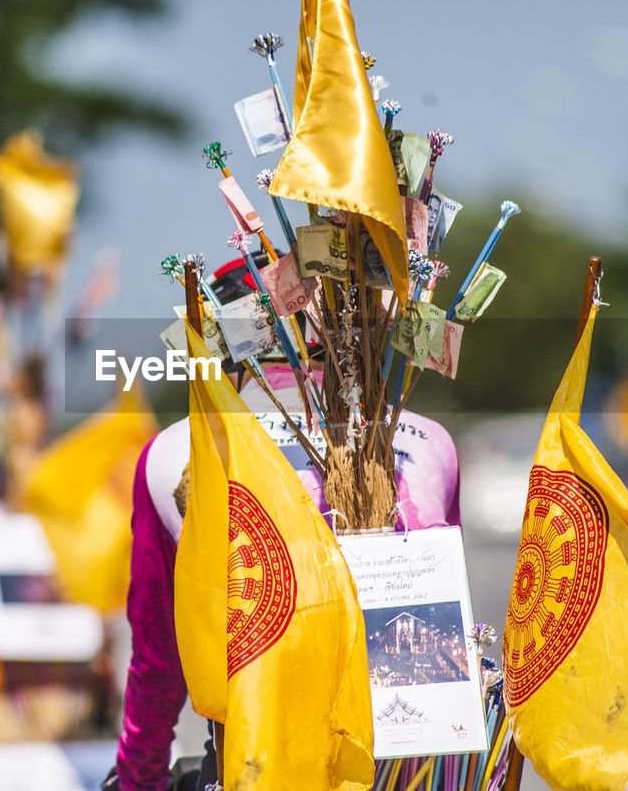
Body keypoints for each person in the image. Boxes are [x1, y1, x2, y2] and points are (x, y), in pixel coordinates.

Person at [108, 256, 461, 791]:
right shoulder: (430, 442)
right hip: (417, 766)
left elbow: (159, 660)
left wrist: (138, 779)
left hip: (253, 763)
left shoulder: (172, 453)